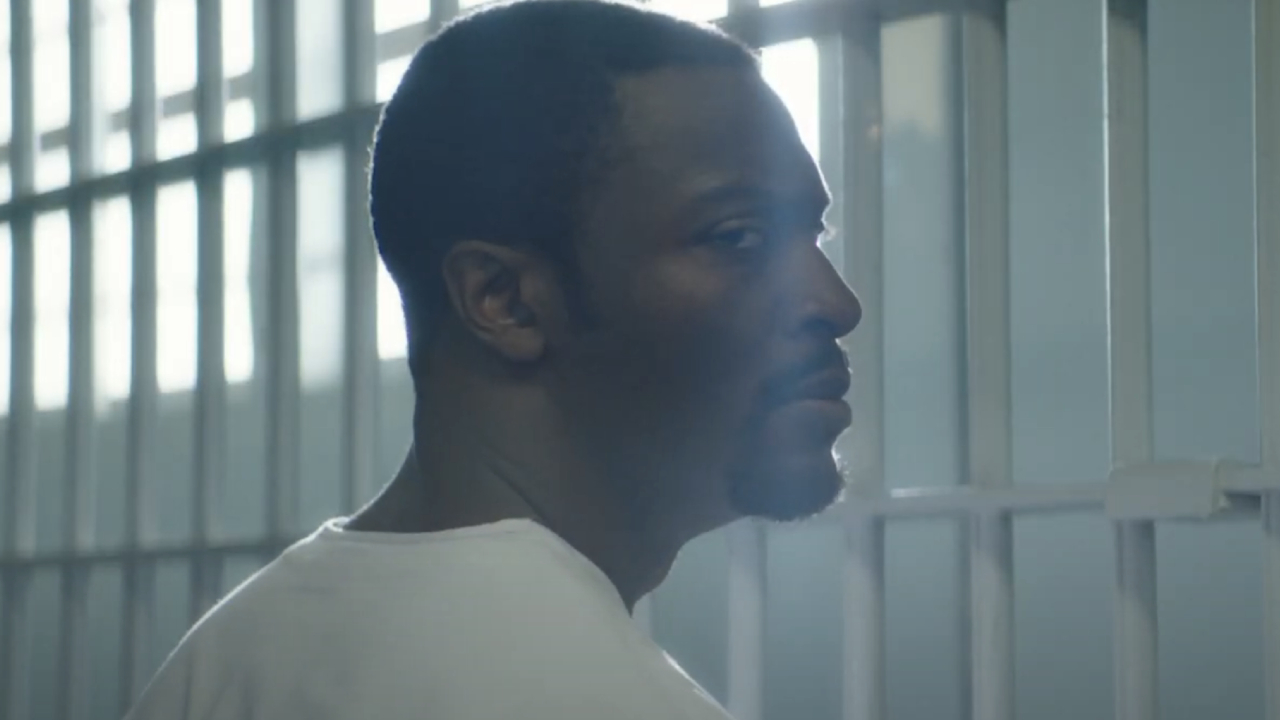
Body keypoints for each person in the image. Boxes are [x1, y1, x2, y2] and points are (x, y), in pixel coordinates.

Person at [124, 0, 861, 718]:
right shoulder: (596, 698)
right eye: (737, 237)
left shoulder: (226, 660)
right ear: (504, 301)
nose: (835, 302)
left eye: (813, 237)